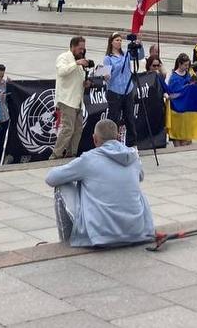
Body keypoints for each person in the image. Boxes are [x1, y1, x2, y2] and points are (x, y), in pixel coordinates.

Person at [45, 118, 155, 248]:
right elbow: (140, 177)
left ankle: (65, 243)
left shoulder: (88, 159)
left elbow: (51, 178)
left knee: (61, 186)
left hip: (101, 235)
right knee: (132, 185)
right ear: (118, 137)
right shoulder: (133, 156)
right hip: (136, 232)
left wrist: (76, 176)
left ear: (95, 139)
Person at [51, 36, 89, 160]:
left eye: (83, 48)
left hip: (77, 101)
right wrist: (76, 63)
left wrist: (86, 83)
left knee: (78, 130)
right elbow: (62, 71)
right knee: (68, 128)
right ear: (72, 46)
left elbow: (78, 79)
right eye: (80, 48)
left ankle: (71, 154)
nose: (82, 51)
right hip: (66, 99)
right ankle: (56, 155)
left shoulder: (79, 61)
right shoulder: (64, 57)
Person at [103, 33, 133, 138]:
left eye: (120, 40)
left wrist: (139, 45)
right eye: (117, 40)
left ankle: (132, 142)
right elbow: (107, 77)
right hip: (115, 91)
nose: (119, 42)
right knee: (114, 118)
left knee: (129, 117)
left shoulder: (126, 55)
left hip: (127, 90)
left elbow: (139, 57)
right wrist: (109, 72)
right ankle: (112, 140)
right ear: (111, 42)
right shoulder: (108, 58)